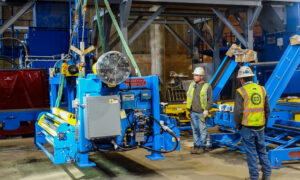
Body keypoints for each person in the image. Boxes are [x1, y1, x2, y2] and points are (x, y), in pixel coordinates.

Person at [233, 66, 272, 180]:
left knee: (251, 153)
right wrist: (264, 123)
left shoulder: (241, 91)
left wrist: (238, 126)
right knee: (262, 151)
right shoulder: (262, 89)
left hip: (247, 127)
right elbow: (267, 109)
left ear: (241, 79)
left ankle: (254, 177)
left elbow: (237, 112)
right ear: (251, 77)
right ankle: (267, 175)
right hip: (260, 126)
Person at [186, 67, 213, 154]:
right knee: (195, 130)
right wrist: (188, 110)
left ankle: (202, 147)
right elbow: (189, 97)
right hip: (193, 112)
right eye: (194, 75)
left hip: (202, 113)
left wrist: (206, 110)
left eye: (196, 75)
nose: (194, 77)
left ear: (201, 76)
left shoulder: (207, 87)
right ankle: (196, 147)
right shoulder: (192, 85)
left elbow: (210, 101)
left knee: (202, 131)